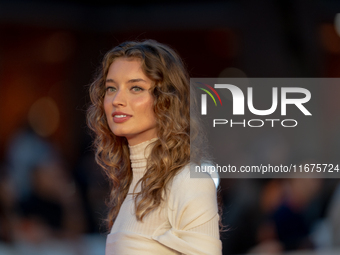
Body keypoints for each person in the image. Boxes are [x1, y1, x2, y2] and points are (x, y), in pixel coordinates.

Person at [87, 40, 222, 254]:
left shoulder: (189, 181)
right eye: (111, 88)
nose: (117, 100)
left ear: (166, 100)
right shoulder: (129, 185)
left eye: (136, 88)